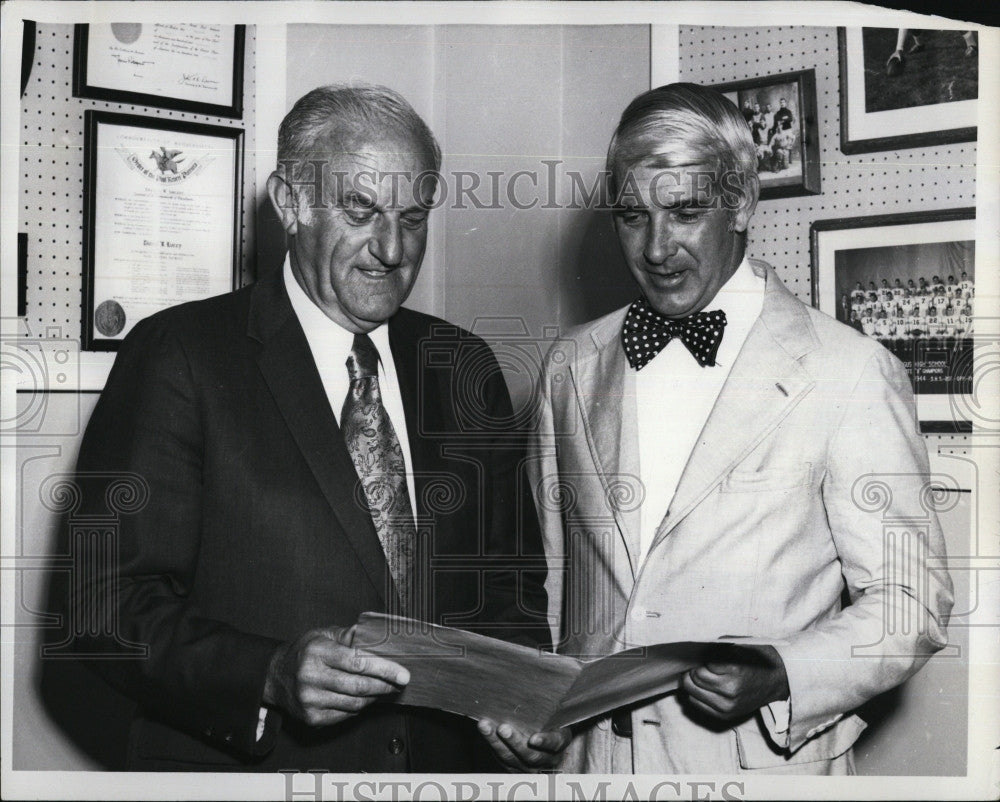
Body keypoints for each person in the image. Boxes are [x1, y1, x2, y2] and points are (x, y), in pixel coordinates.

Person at [62, 84, 564, 773]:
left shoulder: (463, 364)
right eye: (361, 209)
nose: (392, 249)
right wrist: (267, 674)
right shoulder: (179, 354)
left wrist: (521, 701)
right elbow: (99, 609)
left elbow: (508, 586)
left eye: (413, 217)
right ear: (291, 202)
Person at [529, 83, 952, 775]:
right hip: (592, 769)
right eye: (632, 217)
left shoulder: (851, 371)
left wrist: (784, 670)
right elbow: (554, 589)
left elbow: (913, 601)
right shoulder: (569, 367)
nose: (657, 248)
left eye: (686, 212)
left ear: (743, 203)